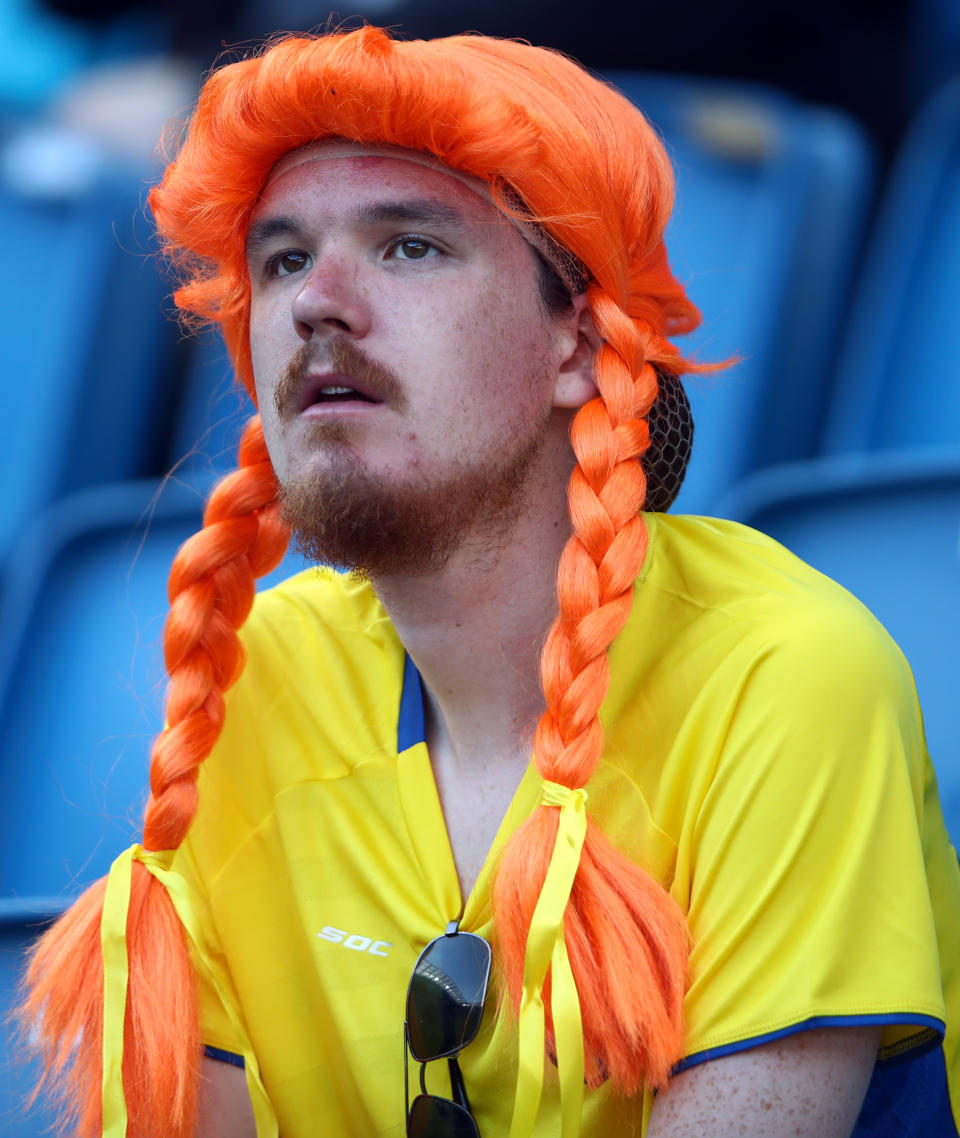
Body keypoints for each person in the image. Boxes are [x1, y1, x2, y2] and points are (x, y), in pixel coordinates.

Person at [17, 24, 960, 1138]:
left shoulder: (783, 674)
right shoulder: (260, 679)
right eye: (280, 260)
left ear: (578, 343)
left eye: (409, 246)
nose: (317, 302)